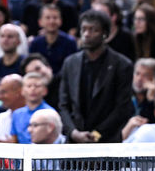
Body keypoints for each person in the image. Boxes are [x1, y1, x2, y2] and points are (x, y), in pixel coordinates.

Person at [57, 10, 135, 143]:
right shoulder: (70, 62)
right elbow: (63, 104)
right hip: (74, 143)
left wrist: (97, 134)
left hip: (107, 142)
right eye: (84, 29)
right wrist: (73, 132)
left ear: (105, 34)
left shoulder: (122, 65)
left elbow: (122, 108)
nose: (87, 34)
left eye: (93, 30)